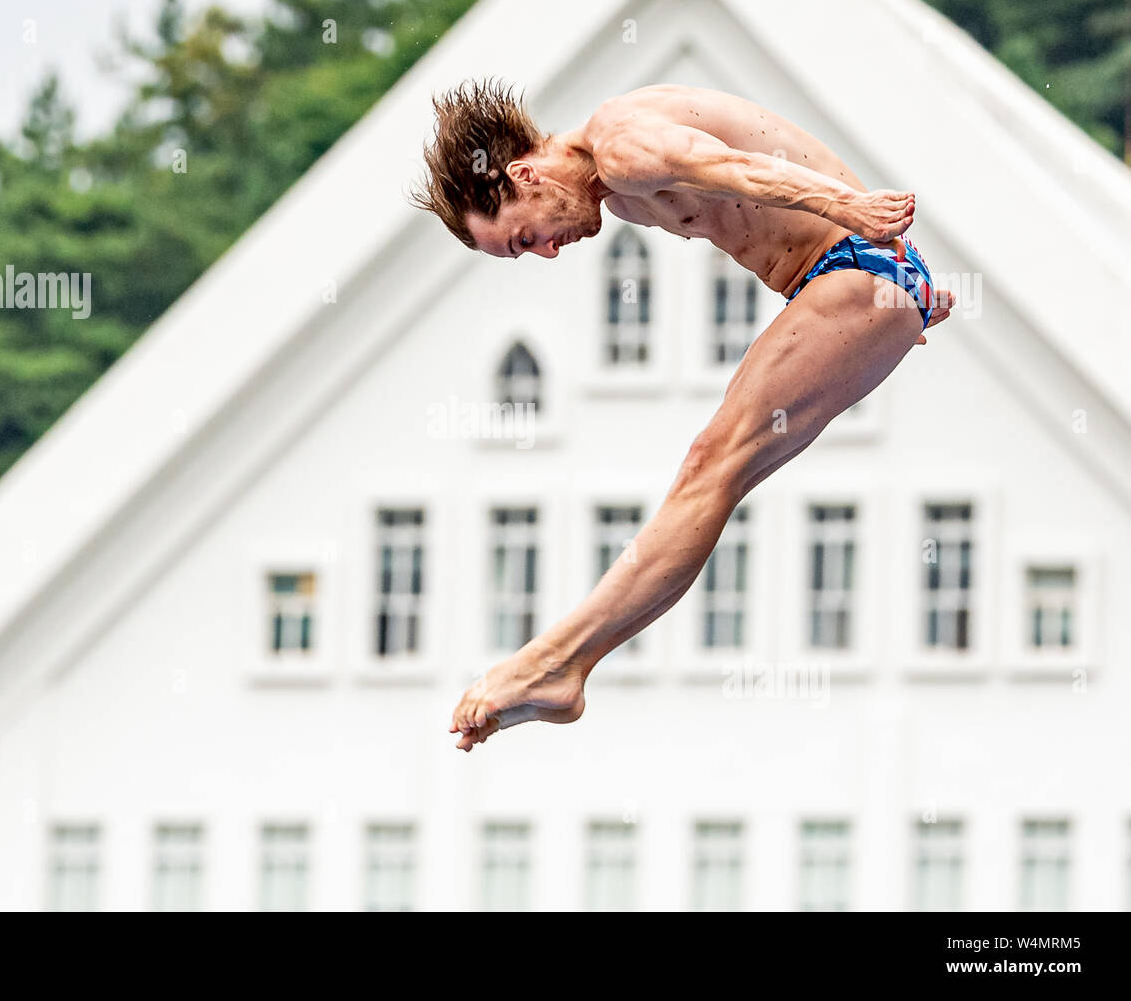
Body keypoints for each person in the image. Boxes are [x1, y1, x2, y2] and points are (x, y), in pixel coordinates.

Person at [409, 79, 954, 751]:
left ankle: (555, 665)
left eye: (526, 238)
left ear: (523, 175)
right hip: (873, 279)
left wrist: (855, 209)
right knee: (718, 477)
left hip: (860, 263)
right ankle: (562, 665)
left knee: (710, 468)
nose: (548, 252)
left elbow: (740, 170)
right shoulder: (619, 187)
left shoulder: (620, 144)